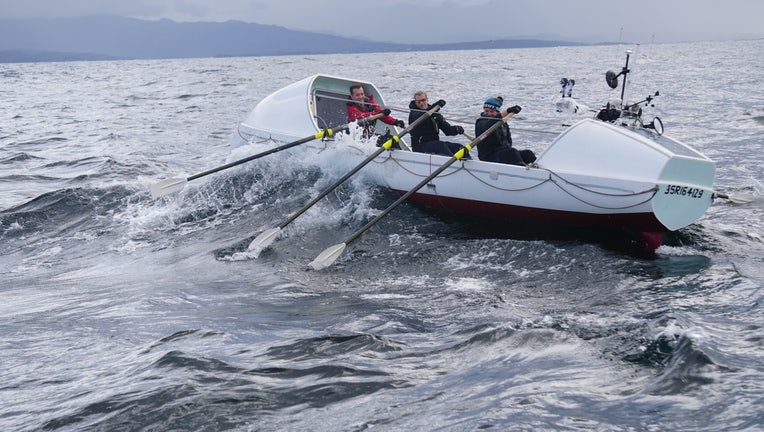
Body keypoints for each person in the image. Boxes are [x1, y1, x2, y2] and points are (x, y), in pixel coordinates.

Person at [474, 96, 536, 166]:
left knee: (528, 153)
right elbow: (489, 124)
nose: (488, 113)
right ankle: (525, 171)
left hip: (502, 153)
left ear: (497, 112)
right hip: (488, 156)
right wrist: (508, 111)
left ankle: (541, 170)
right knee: (512, 152)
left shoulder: (502, 122)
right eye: (486, 111)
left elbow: (508, 140)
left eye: (492, 111)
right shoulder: (481, 122)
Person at [408, 90, 470, 159]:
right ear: (415, 102)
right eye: (418, 102)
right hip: (419, 146)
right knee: (440, 146)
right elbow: (424, 115)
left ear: (427, 100)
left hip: (434, 143)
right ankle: (454, 166)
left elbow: (448, 130)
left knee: (460, 148)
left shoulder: (435, 114)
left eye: (423, 100)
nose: (421, 103)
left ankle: (470, 167)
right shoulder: (414, 113)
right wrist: (435, 106)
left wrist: (456, 129)